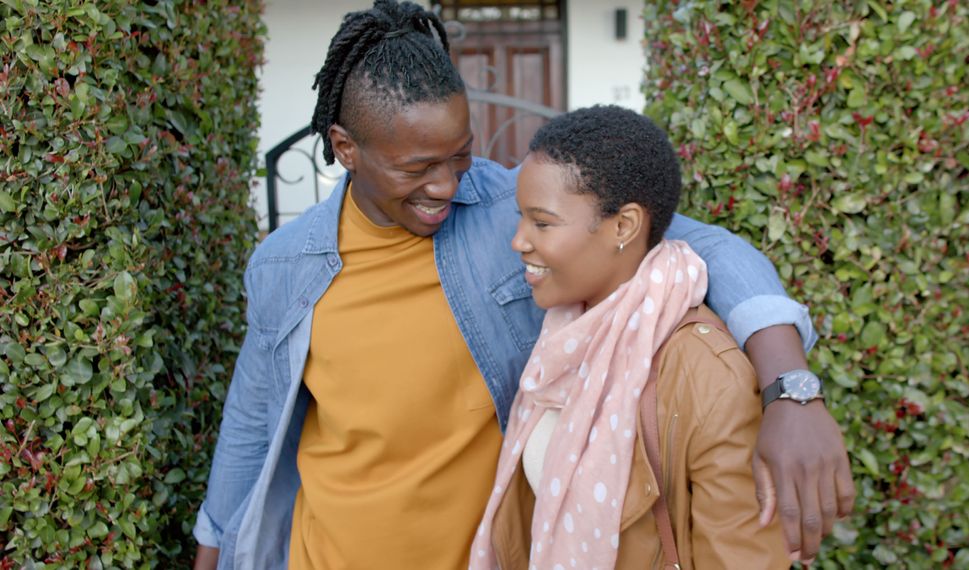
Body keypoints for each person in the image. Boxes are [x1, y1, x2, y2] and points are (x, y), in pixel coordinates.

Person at [193, 1, 853, 568]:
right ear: (345, 147)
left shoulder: (512, 211)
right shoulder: (284, 266)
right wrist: (212, 553)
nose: (447, 186)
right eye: (417, 168)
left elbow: (707, 246)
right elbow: (251, 428)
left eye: (459, 154)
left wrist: (791, 390)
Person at [470, 104, 791, 569]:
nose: (518, 241)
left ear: (623, 226)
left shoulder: (705, 373)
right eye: (521, 218)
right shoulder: (566, 335)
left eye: (541, 222)